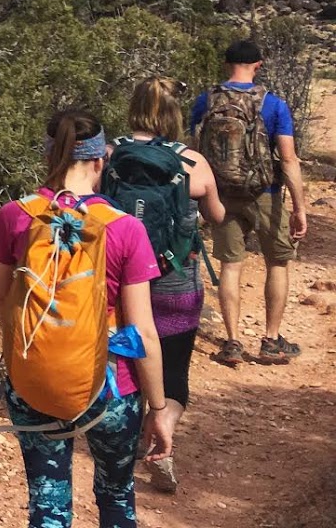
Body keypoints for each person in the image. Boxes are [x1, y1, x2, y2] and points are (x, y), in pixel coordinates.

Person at [0, 109, 171, 528]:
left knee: (48, 505)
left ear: (50, 157)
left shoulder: (15, 216)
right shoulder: (124, 228)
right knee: (116, 496)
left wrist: (37, 349)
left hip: (34, 382)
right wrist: (158, 408)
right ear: (100, 160)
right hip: (111, 387)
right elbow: (142, 331)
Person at [117, 78, 226, 494]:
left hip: (123, 283)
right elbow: (216, 215)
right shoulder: (192, 162)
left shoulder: (111, 157)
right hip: (176, 280)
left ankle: (125, 448)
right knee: (174, 368)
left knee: (130, 364)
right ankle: (163, 425)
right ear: (174, 114)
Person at [189, 39, 310, 366]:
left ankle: (232, 342)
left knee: (231, 265)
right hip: (265, 195)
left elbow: (192, 150)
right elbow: (288, 159)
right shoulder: (273, 105)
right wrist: (299, 208)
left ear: (227, 64)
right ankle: (270, 340)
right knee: (277, 263)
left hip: (221, 195)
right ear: (258, 64)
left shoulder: (205, 101)